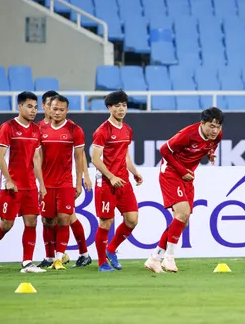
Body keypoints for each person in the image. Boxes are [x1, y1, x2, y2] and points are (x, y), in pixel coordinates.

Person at [145, 107, 224, 273]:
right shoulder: (187, 134)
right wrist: (181, 171)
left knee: (183, 221)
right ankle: (169, 258)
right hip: (172, 173)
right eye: (211, 126)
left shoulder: (217, 136)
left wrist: (210, 153)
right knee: (182, 214)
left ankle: (154, 258)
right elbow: (164, 150)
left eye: (218, 126)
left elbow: (211, 145)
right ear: (202, 123)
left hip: (187, 176)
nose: (215, 130)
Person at [0, 91, 47, 274]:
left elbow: (36, 159)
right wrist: (8, 180)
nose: (33, 111)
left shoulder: (36, 130)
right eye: (29, 106)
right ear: (20, 106)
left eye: (35, 107)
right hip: (12, 184)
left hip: (30, 184)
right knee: (6, 225)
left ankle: (27, 263)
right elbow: (0, 157)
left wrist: (41, 184)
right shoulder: (8, 127)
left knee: (31, 222)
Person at [36, 90, 93, 268]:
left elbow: (79, 156)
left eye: (61, 109)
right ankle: (52, 256)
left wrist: (81, 180)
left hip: (65, 182)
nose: (57, 112)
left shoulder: (74, 130)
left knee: (65, 218)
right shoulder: (39, 129)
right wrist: (39, 183)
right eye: (54, 108)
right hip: (46, 182)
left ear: (67, 110)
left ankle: (59, 258)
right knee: (47, 220)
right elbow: (37, 158)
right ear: (48, 109)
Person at [91, 90, 142, 272]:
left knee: (132, 219)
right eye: (117, 106)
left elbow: (125, 154)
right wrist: (111, 176)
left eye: (124, 105)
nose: (121, 109)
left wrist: (134, 172)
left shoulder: (127, 129)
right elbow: (95, 158)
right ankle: (101, 262)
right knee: (105, 222)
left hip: (123, 181)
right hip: (106, 183)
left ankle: (111, 250)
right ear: (109, 108)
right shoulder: (102, 131)